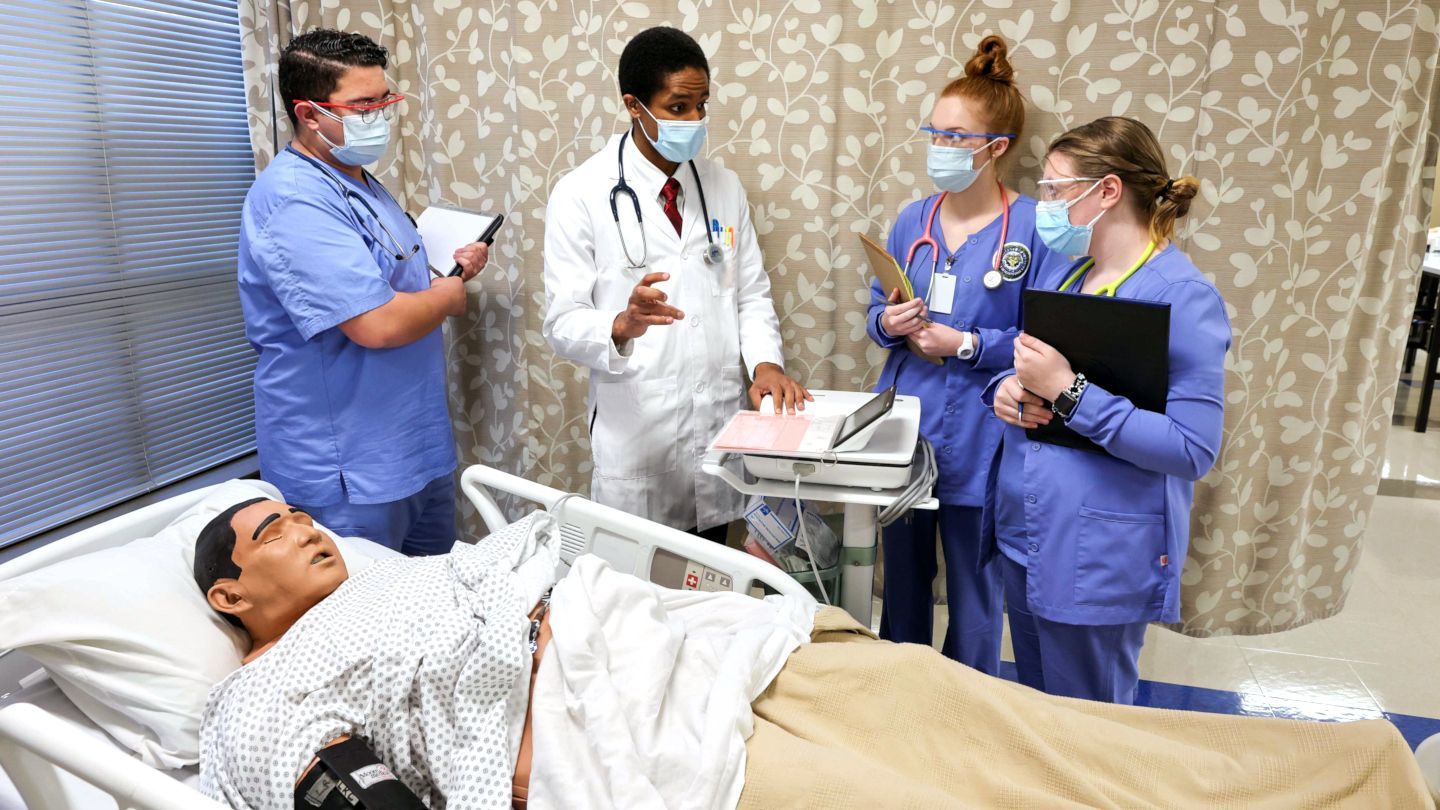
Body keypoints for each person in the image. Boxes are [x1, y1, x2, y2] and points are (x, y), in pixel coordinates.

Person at [193, 497, 1432, 809]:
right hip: (612, 743)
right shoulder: (266, 690)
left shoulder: (414, 567)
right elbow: (350, 792)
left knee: (987, 710)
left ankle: (1355, 778)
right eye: (270, 534)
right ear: (230, 594)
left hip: (712, 651)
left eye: (299, 512)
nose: (303, 527)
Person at [982, 116, 1231, 704]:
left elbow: (1192, 449)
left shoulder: (1182, 297)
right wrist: (1007, 391)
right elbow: (1027, 363)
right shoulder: (1069, 271)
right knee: (1041, 711)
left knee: (1089, 730)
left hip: (1096, 554)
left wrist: (1070, 392)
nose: (1043, 205)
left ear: (1108, 191)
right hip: (1030, 535)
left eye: (1055, 190)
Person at [542, 26, 810, 542]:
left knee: (714, 583)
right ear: (633, 106)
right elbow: (562, 322)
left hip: (718, 426)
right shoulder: (580, 193)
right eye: (679, 107)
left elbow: (750, 293)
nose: (695, 121)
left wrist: (766, 365)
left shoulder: (722, 186)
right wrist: (620, 324)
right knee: (640, 594)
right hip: (638, 433)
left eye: (702, 106)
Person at [237, 29, 491, 555]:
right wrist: (447, 299)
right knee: (369, 621)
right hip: (347, 467)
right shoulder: (293, 200)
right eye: (362, 105)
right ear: (308, 114)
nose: (378, 115)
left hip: (411, 445)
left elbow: (392, 276)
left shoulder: (360, 182)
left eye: (384, 100)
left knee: (433, 609)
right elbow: (377, 323)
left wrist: (448, 272)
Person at [865, 36, 1059, 671]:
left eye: (955, 138)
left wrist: (969, 344)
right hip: (907, 427)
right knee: (902, 585)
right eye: (934, 133)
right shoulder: (911, 220)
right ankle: (901, 694)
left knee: (979, 595)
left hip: (987, 435)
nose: (939, 149)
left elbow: (1048, 340)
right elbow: (874, 313)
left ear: (995, 149)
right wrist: (889, 321)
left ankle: (968, 709)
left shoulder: (1032, 230)